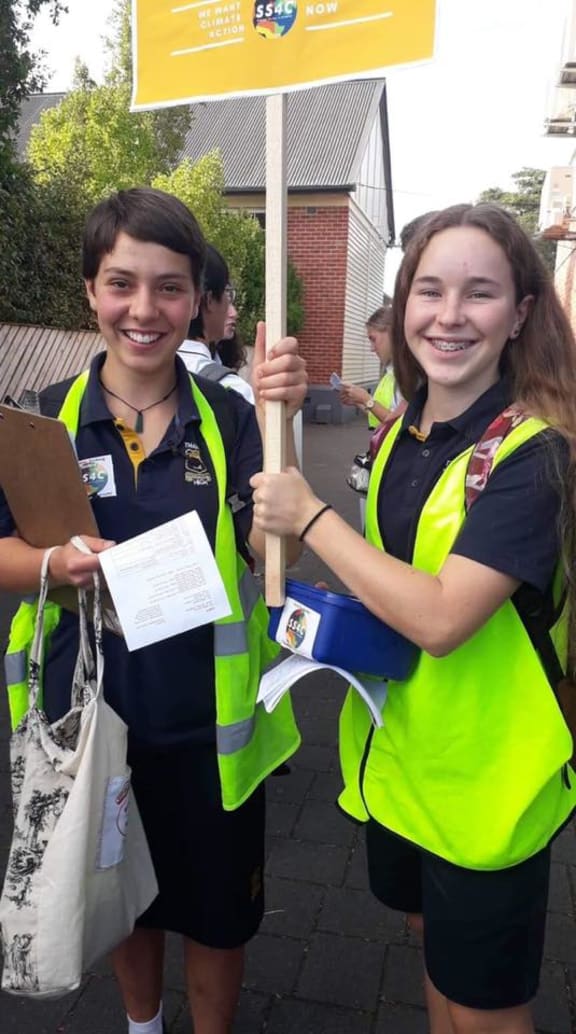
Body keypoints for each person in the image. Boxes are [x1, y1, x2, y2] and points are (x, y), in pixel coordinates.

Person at [250, 202, 576, 1034]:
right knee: (434, 956)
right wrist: (275, 423)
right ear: (403, 307)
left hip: (483, 786)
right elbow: (304, 559)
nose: (449, 315)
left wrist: (312, 515)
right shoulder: (406, 430)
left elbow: (439, 618)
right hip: (398, 765)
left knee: (487, 1011)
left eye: (480, 293)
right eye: (428, 291)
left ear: (521, 313)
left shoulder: (533, 454)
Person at [0, 186, 307, 1034]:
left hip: (208, 729)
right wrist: (53, 564)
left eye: (171, 287)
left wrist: (282, 420)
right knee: (122, 895)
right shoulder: (38, 423)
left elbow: (274, 556)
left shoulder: (234, 418)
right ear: (91, 293)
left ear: (198, 301)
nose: (145, 309)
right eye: (122, 283)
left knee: (217, 915)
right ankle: (143, 1026)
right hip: (91, 720)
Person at [178, 243, 254, 403]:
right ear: (209, 300)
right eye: (227, 293)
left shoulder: (143, 376)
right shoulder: (233, 391)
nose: (233, 312)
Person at [338, 304, 402, 426]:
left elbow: (399, 424)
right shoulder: (391, 372)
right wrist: (359, 401)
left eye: (373, 339)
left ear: (392, 333)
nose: (372, 348)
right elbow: (380, 415)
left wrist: (366, 399)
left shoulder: (410, 375)